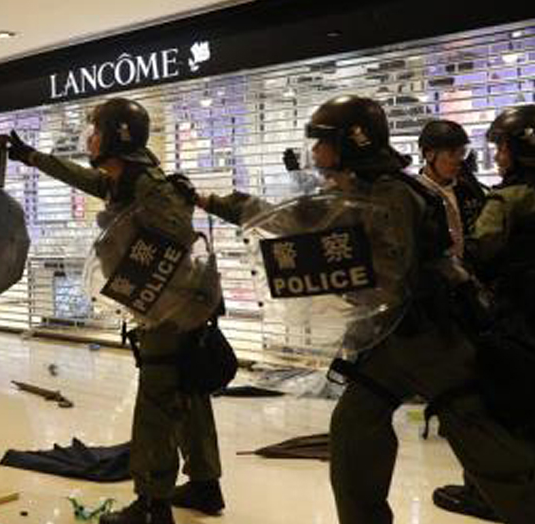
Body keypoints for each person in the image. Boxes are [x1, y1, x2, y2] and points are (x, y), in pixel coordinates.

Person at [198, 96, 535, 524]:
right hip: (390, 343)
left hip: (432, 340)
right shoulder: (357, 191)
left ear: (349, 143)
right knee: (354, 433)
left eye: (321, 144)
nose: (316, 155)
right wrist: (210, 201)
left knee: (489, 449)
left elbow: (393, 276)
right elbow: (289, 219)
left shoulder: (391, 196)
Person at [7, 97, 224, 524]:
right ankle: (204, 484)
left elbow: (181, 240)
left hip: (169, 313)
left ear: (117, 137)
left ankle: (150, 505)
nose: (90, 138)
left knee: (157, 403)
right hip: (172, 311)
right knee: (189, 394)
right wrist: (34, 158)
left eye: (97, 131)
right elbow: (84, 179)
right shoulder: (127, 181)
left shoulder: (148, 187)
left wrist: (161, 301)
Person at [432, 105, 535, 522]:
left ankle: (487, 492)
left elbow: (478, 252)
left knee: (497, 404)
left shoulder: (507, 198)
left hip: (514, 318)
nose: (496, 155)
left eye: (502, 147)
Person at [416, 120, 486, 258]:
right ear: (429, 154)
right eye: (452, 153)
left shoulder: (468, 189)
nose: (459, 160)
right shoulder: (415, 194)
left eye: (462, 153)